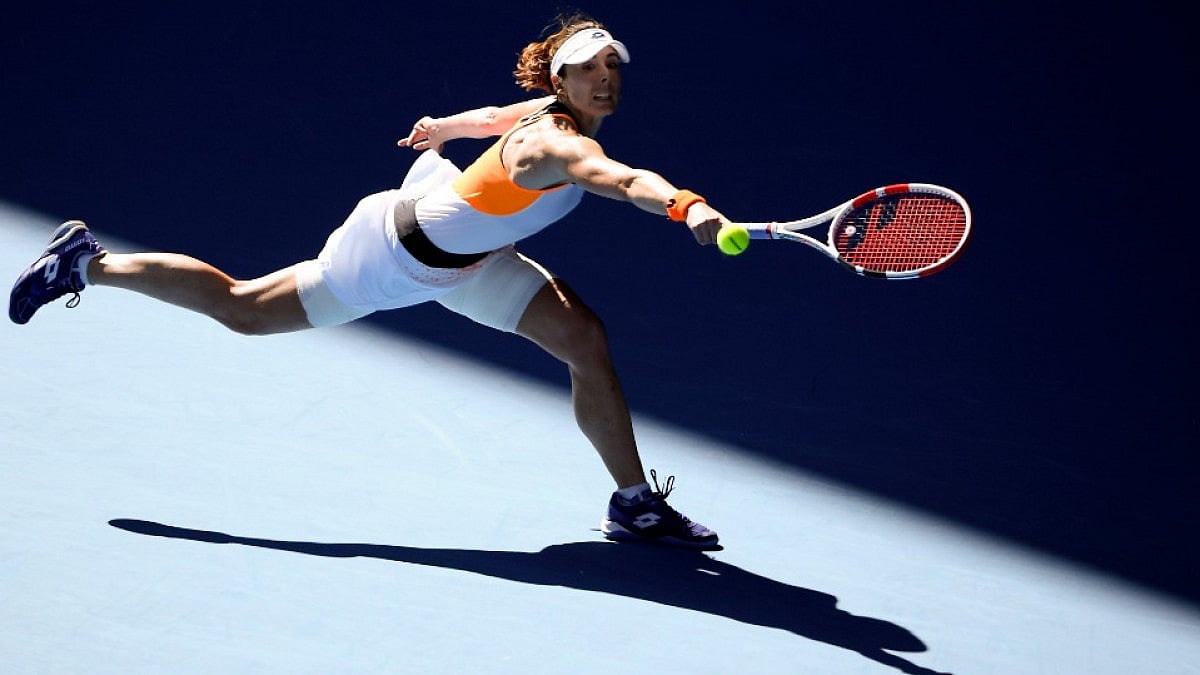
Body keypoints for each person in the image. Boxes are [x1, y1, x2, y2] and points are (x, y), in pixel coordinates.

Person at [9, 13, 730, 550]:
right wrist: (684, 204)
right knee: (244, 309)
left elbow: (492, 117)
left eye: (612, 64)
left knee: (584, 339)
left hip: (470, 257)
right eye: (589, 67)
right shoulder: (556, 143)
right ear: (561, 81)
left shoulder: (546, 111)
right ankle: (87, 263)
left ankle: (634, 504)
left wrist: (443, 128)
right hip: (393, 254)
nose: (606, 77)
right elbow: (619, 179)